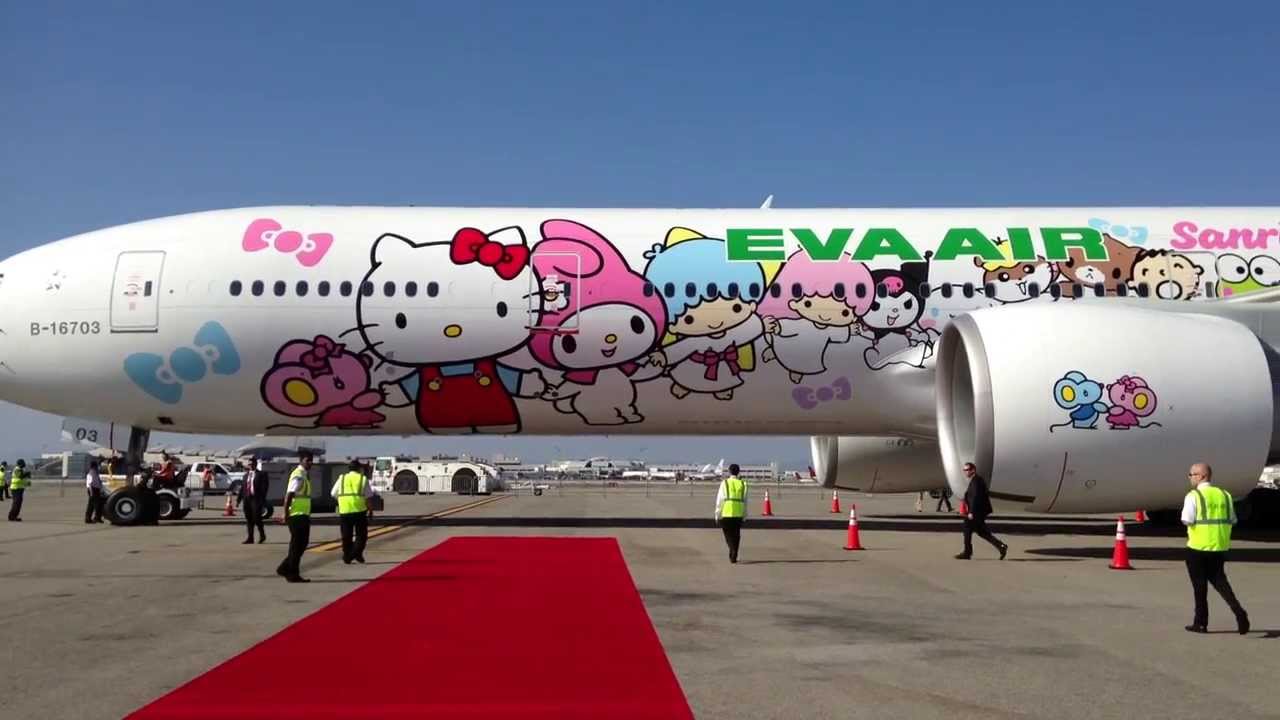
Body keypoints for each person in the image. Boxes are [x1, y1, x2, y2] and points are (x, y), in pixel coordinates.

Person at [1181, 462, 1249, 634]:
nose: (1189, 478)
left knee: (1200, 587)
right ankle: (1239, 612)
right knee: (1221, 583)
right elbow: (1233, 519)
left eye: (1192, 474)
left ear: (1202, 476)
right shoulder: (1225, 495)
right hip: (1219, 547)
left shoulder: (1193, 496)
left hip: (1197, 547)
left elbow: (1187, 519)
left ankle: (1200, 623)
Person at [955, 462, 1007, 560]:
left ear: (973, 470)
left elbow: (975, 497)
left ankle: (967, 552)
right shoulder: (976, 480)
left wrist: (971, 512)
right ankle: (1001, 546)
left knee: (967, 529)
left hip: (975, 512)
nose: (965, 472)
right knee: (982, 532)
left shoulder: (976, 481)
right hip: (977, 512)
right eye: (964, 470)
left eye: (967, 470)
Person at [276, 452, 313, 583]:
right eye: (308, 460)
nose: (310, 463)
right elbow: (289, 495)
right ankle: (292, 574)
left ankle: (284, 567)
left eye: (311, 460)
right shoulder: (298, 475)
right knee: (297, 546)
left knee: (301, 544)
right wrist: (285, 513)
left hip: (302, 514)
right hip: (296, 515)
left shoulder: (304, 475)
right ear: (301, 460)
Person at [332, 460, 374, 564]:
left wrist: (342, 500)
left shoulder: (342, 478)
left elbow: (333, 493)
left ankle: (348, 554)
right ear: (359, 469)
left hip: (345, 510)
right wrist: (370, 510)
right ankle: (354, 554)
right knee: (361, 536)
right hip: (359, 511)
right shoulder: (362, 479)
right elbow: (368, 497)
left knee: (346, 536)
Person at [714, 463, 747, 563]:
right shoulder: (743, 484)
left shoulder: (725, 483)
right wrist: (744, 515)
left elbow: (720, 500)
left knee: (728, 535)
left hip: (727, 513)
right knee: (736, 535)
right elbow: (745, 501)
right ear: (738, 472)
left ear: (729, 471)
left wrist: (717, 514)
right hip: (738, 514)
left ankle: (732, 550)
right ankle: (734, 553)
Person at [239, 458, 268, 544]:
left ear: (255, 464)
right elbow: (242, 488)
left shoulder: (261, 474)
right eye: (249, 464)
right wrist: (238, 499)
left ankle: (262, 535)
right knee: (249, 519)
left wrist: (262, 499)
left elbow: (264, 487)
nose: (251, 466)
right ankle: (250, 538)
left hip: (256, 499)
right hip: (247, 499)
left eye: (252, 464)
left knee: (257, 518)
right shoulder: (245, 475)